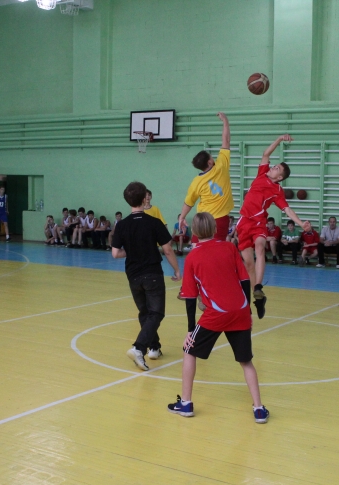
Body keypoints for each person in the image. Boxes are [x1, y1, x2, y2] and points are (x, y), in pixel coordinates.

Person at [168, 212, 269, 424]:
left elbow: (190, 296)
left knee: (189, 350)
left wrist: (190, 329)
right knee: (246, 361)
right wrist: (248, 312)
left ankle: (185, 403)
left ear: (194, 232)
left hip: (216, 313)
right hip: (240, 310)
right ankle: (259, 409)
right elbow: (244, 281)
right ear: (215, 229)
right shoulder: (230, 247)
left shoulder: (192, 257)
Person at [112, 181, 181, 371]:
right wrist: (177, 269)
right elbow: (167, 249)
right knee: (156, 313)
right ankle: (138, 348)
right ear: (144, 199)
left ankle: (154, 348)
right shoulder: (154, 222)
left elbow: (116, 253)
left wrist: (132, 250)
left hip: (133, 275)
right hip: (152, 274)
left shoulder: (122, 225)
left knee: (145, 313)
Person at [236, 133, 304, 319]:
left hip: (258, 222)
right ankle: (258, 299)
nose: (273, 167)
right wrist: (279, 139)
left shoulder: (277, 191)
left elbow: (287, 210)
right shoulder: (261, 173)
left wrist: (300, 223)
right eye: (275, 165)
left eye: (277, 168)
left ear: (279, 177)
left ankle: (258, 286)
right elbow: (266, 154)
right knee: (248, 264)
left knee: (260, 247)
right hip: (244, 222)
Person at [178, 112, 233, 242]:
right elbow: (226, 140)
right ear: (209, 162)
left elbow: (189, 202)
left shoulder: (196, 182)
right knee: (216, 249)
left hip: (202, 219)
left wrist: (182, 217)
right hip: (219, 219)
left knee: (197, 248)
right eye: (211, 157)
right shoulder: (221, 166)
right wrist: (225, 121)